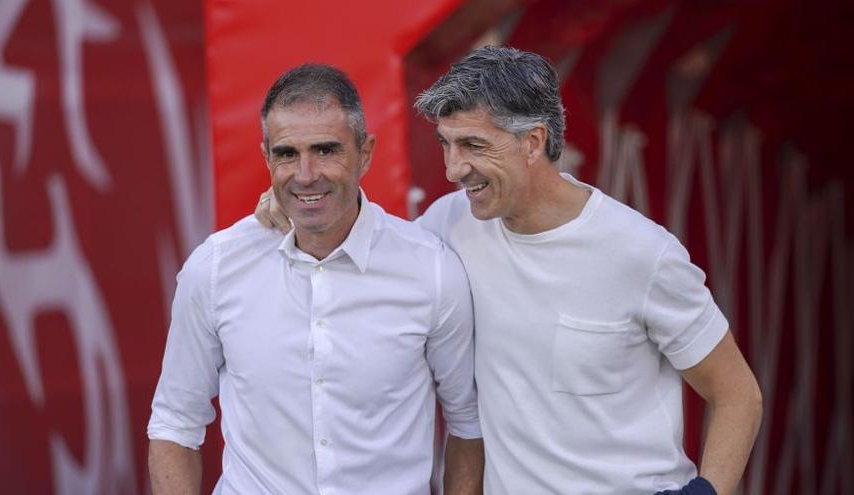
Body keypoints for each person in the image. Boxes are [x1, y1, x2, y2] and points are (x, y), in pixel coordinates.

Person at [256, 47, 762, 495]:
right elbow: (366, 245)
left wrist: (704, 493)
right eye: (446, 145)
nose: (454, 169)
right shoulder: (447, 226)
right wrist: (296, 206)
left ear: (533, 142)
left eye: (473, 146)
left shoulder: (642, 253)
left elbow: (737, 394)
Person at [148, 64, 484, 495]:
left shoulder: (431, 269)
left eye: (326, 150)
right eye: (287, 153)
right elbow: (176, 422)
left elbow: (467, 423)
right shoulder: (215, 268)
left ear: (365, 153)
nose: (306, 174)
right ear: (266, 156)